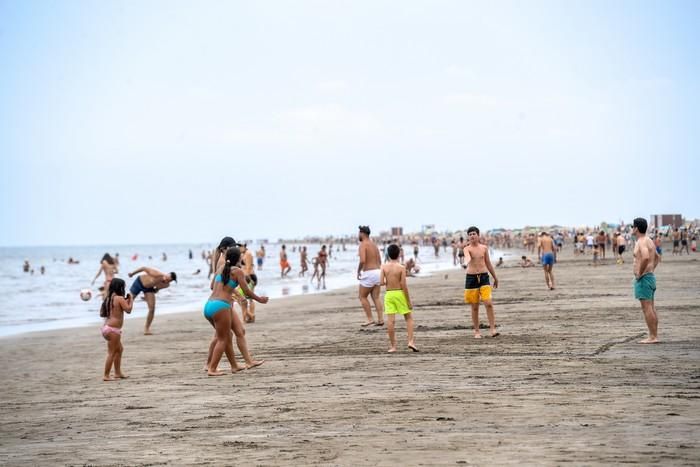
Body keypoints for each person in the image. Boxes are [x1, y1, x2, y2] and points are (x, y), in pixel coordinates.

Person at [203, 247, 268, 376]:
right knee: (222, 339)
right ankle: (212, 369)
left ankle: (236, 366)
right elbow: (247, 291)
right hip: (221, 307)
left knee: (227, 336)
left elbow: (212, 286)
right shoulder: (237, 271)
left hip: (209, 306)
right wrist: (260, 299)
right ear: (239, 258)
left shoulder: (221, 269)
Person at [462, 226, 499, 338]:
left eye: (474, 234)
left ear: (478, 235)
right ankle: (477, 331)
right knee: (475, 306)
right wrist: (465, 263)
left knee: (488, 303)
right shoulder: (467, 249)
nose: (472, 236)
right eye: (470, 234)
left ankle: (492, 329)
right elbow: (468, 258)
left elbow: (488, 263)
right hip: (471, 278)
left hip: (484, 277)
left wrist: (495, 277)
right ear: (468, 237)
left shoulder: (484, 248)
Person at [380, 244, 417, 353]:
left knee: (391, 321)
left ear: (388, 254)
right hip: (400, 293)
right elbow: (404, 285)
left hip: (389, 294)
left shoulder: (383, 267)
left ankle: (393, 347)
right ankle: (410, 341)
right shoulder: (401, 267)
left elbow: (381, 282)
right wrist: (408, 301)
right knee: (408, 318)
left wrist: (389, 281)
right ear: (398, 254)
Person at [632, 218, 660, 344]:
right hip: (650, 277)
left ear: (636, 228)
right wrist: (651, 269)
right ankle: (654, 335)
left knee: (647, 308)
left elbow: (645, 257)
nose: (632, 229)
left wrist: (640, 273)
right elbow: (657, 257)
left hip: (644, 279)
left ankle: (652, 337)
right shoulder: (649, 241)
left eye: (633, 226)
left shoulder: (641, 241)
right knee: (651, 307)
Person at [99, 278, 133, 381]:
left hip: (106, 328)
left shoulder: (108, 298)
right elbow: (128, 310)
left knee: (119, 349)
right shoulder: (119, 298)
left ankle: (118, 373)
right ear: (120, 287)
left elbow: (101, 313)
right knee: (112, 352)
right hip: (113, 330)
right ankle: (106, 375)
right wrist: (131, 300)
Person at [127, 266, 176, 335]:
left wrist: (147, 297)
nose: (166, 280)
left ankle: (146, 329)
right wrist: (132, 273)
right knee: (127, 305)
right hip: (139, 283)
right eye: (167, 277)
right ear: (166, 274)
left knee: (152, 308)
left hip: (148, 289)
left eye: (169, 280)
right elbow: (143, 268)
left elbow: (156, 289)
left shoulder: (166, 285)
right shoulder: (157, 274)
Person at [357, 225, 384, 326]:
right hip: (378, 271)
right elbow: (380, 260)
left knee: (362, 296)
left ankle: (370, 319)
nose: (358, 235)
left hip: (369, 273)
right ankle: (380, 319)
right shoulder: (374, 245)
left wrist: (358, 271)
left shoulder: (363, 245)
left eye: (359, 233)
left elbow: (363, 260)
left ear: (363, 233)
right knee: (375, 297)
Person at [239, 244, 258, 323]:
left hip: (249, 277)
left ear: (244, 246)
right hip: (246, 277)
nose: (239, 249)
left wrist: (247, 279)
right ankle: (249, 316)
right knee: (245, 297)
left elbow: (249, 267)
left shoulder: (248, 254)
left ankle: (251, 315)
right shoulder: (243, 254)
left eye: (240, 247)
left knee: (248, 298)